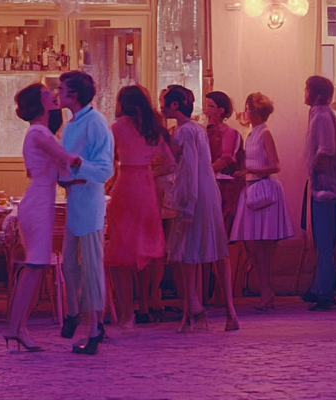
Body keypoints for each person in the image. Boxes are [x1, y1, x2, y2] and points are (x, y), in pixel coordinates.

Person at [4, 83, 81, 351]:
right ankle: (16, 327)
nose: (54, 95)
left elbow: (63, 169)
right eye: (48, 94)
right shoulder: (39, 133)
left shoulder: (42, 133)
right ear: (40, 103)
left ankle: (17, 327)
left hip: (42, 200)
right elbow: (68, 159)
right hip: (37, 201)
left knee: (36, 267)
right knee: (35, 266)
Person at [161, 85, 238, 332]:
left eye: (164, 101)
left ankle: (193, 309)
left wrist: (187, 205)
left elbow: (190, 170)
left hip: (195, 195)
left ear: (174, 106)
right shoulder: (195, 129)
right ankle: (224, 312)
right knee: (214, 251)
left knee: (186, 252)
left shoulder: (184, 132)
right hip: (207, 192)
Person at [104, 84, 174, 330]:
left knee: (120, 249)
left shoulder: (117, 128)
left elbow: (107, 158)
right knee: (146, 246)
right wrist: (148, 168)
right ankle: (147, 301)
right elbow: (169, 162)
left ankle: (125, 313)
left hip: (125, 184)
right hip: (145, 187)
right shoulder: (153, 129)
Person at [56, 70, 114, 355]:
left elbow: (105, 169)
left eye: (61, 88)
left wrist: (78, 166)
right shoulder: (71, 124)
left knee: (91, 266)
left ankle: (94, 329)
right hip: (73, 200)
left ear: (74, 94)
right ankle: (74, 311)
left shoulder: (96, 123)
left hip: (89, 202)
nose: (58, 93)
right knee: (69, 265)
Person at [229, 92, 293, 311]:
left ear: (254, 111)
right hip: (253, 188)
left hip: (264, 189)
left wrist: (250, 170)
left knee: (263, 244)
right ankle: (265, 288)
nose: (245, 111)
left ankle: (266, 289)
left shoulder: (264, 133)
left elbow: (275, 166)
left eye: (248, 108)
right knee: (256, 245)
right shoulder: (251, 132)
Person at [303, 75, 336, 312]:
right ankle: (320, 286)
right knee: (323, 241)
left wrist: (318, 169)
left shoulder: (321, 115)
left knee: (323, 241)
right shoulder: (322, 114)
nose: (304, 93)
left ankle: (324, 292)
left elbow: (326, 149)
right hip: (324, 186)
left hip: (325, 189)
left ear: (316, 93)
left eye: (307, 89)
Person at [205, 91, 244, 235]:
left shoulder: (229, 132)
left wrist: (205, 172)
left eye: (211, 106)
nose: (206, 110)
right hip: (208, 181)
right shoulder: (204, 131)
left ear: (221, 111)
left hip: (223, 186)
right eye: (206, 105)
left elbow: (226, 158)